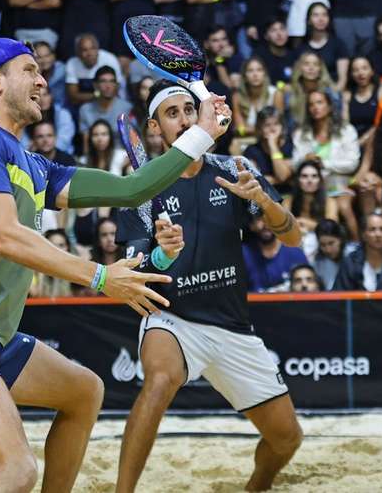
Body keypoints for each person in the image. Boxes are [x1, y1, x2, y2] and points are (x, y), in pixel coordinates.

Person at [0, 38, 229, 492]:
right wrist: (101, 276)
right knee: (15, 471)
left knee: (84, 392)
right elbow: (6, 237)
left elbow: (131, 190)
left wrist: (202, 133)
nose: (42, 79)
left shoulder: (34, 166)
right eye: (29, 70)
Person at [114, 78, 302, 493]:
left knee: (287, 438)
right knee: (160, 379)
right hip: (173, 316)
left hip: (231, 325)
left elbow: (293, 238)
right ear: (154, 127)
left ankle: (256, 488)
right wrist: (162, 255)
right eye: (171, 113)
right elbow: (133, 271)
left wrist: (266, 202)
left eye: (188, 110)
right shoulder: (141, 188)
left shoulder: (235, 169)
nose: (182, 120)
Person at [292, 90, 360, 239]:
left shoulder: (346, 130)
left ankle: (356, 244)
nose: (315, 107)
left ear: (329, 107)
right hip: (311, 184)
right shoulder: (301, 134)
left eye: (319, 103)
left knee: (344, 206)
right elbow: (295, 163)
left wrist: (325, 164)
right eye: (311, 104)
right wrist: (305, 159)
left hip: (338, 185)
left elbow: (352, 162)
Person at [334, 213, 382, 291]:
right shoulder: (350, 262)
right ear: (363, 234)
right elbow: (339, 294)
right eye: (372, 229)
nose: (378, 234)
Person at [230, 58, 285, 144]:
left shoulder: (276, 94)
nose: (255, 74)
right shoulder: (237, 97)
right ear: (244, 76)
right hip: (246, 141)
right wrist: (261, 129)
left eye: (259, 70)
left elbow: (278, 126)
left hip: (272, 139)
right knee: (235, 143)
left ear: (264, 74)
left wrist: (250, 129)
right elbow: (240, 129)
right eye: (250, 71)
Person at [282, 160, 327, 262]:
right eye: (304, 176)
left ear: (320, 180)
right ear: (298, 180)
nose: (309, 180)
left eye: (314, 176)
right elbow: (284, 225)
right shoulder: (289, 200)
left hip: (321, 244)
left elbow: (330, 228)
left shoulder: (329, 201)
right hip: (295, 241)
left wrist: (303, 222)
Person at [298, 2, 350, 88]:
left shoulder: (338, 44)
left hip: (333, 90)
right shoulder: (301, 48)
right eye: (316, 15)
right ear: (309, 20)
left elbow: (343, 79)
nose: (321, 19)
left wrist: (334, 96)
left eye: (324, 15)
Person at [65, 33, 125, 106]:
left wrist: (95, 96)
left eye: (93, 48)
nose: (89, 53)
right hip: (81, 106)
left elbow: (115, 90)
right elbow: (73, 96)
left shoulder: (110, 59)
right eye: (84, 50)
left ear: (98, 49)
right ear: (78, 53)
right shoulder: (72, 63)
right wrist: (99, 95)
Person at [77, 67, 133, 144]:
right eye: (103, 81)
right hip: (96, 154)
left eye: (112, 81)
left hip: (122, 153)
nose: (108, 86)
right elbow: (86, 142)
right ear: (95, 85)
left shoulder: (127, 108)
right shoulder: (85, 110)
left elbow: (133, 140)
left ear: (116, 85)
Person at [241, 107, 294, 188]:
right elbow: (253, 181)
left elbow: (282, 176)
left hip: (287, 193)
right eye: (267, 125)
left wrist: (272, 144)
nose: (272, 129)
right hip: (262, 194)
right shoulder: (251, 150)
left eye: (276, 124)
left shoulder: (289, 145)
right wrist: (277, 180)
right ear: (259, 129)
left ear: (282, 126)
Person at [344, 56, 382, 141]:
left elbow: (381, 123)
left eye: (364, 68)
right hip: (352, 140)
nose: (360, 73)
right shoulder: (347, 95)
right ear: (351, 74)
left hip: (376, 139)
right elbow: (345, 125)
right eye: (355, 70)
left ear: (372, 71)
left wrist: (361, 141)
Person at [311, 220, 346, 290]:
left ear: (340, 239)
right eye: (322, 245)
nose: (328, 250)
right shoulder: (318, 264)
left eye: (331, 243)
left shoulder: (354, 257)